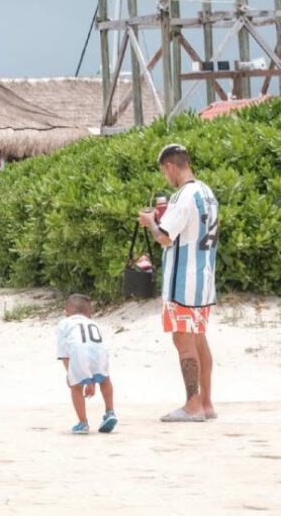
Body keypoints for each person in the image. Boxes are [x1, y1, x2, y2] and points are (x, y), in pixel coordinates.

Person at [137, 144, 219, 423]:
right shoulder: (207, 193)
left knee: (183, 341)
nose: (165, 177)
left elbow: (165, 237)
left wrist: (150, 221)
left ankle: (192, 405)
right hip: (204, 279)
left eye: (164, 171)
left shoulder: (183, 196)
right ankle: (206, 403)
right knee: (199, 339)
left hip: (182, 284)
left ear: (171, 167)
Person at [56, 294, 117, 434]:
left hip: (79, 352)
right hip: (100, 352)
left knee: (75, 385)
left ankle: (83, 423)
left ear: (66, 312)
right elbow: (92, 351)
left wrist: (71, 374)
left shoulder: (64, 323)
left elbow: (64, 355)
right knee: (105, 379)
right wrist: (92, 381)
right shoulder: (93, 323)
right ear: (89, 313)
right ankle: (110, 411)